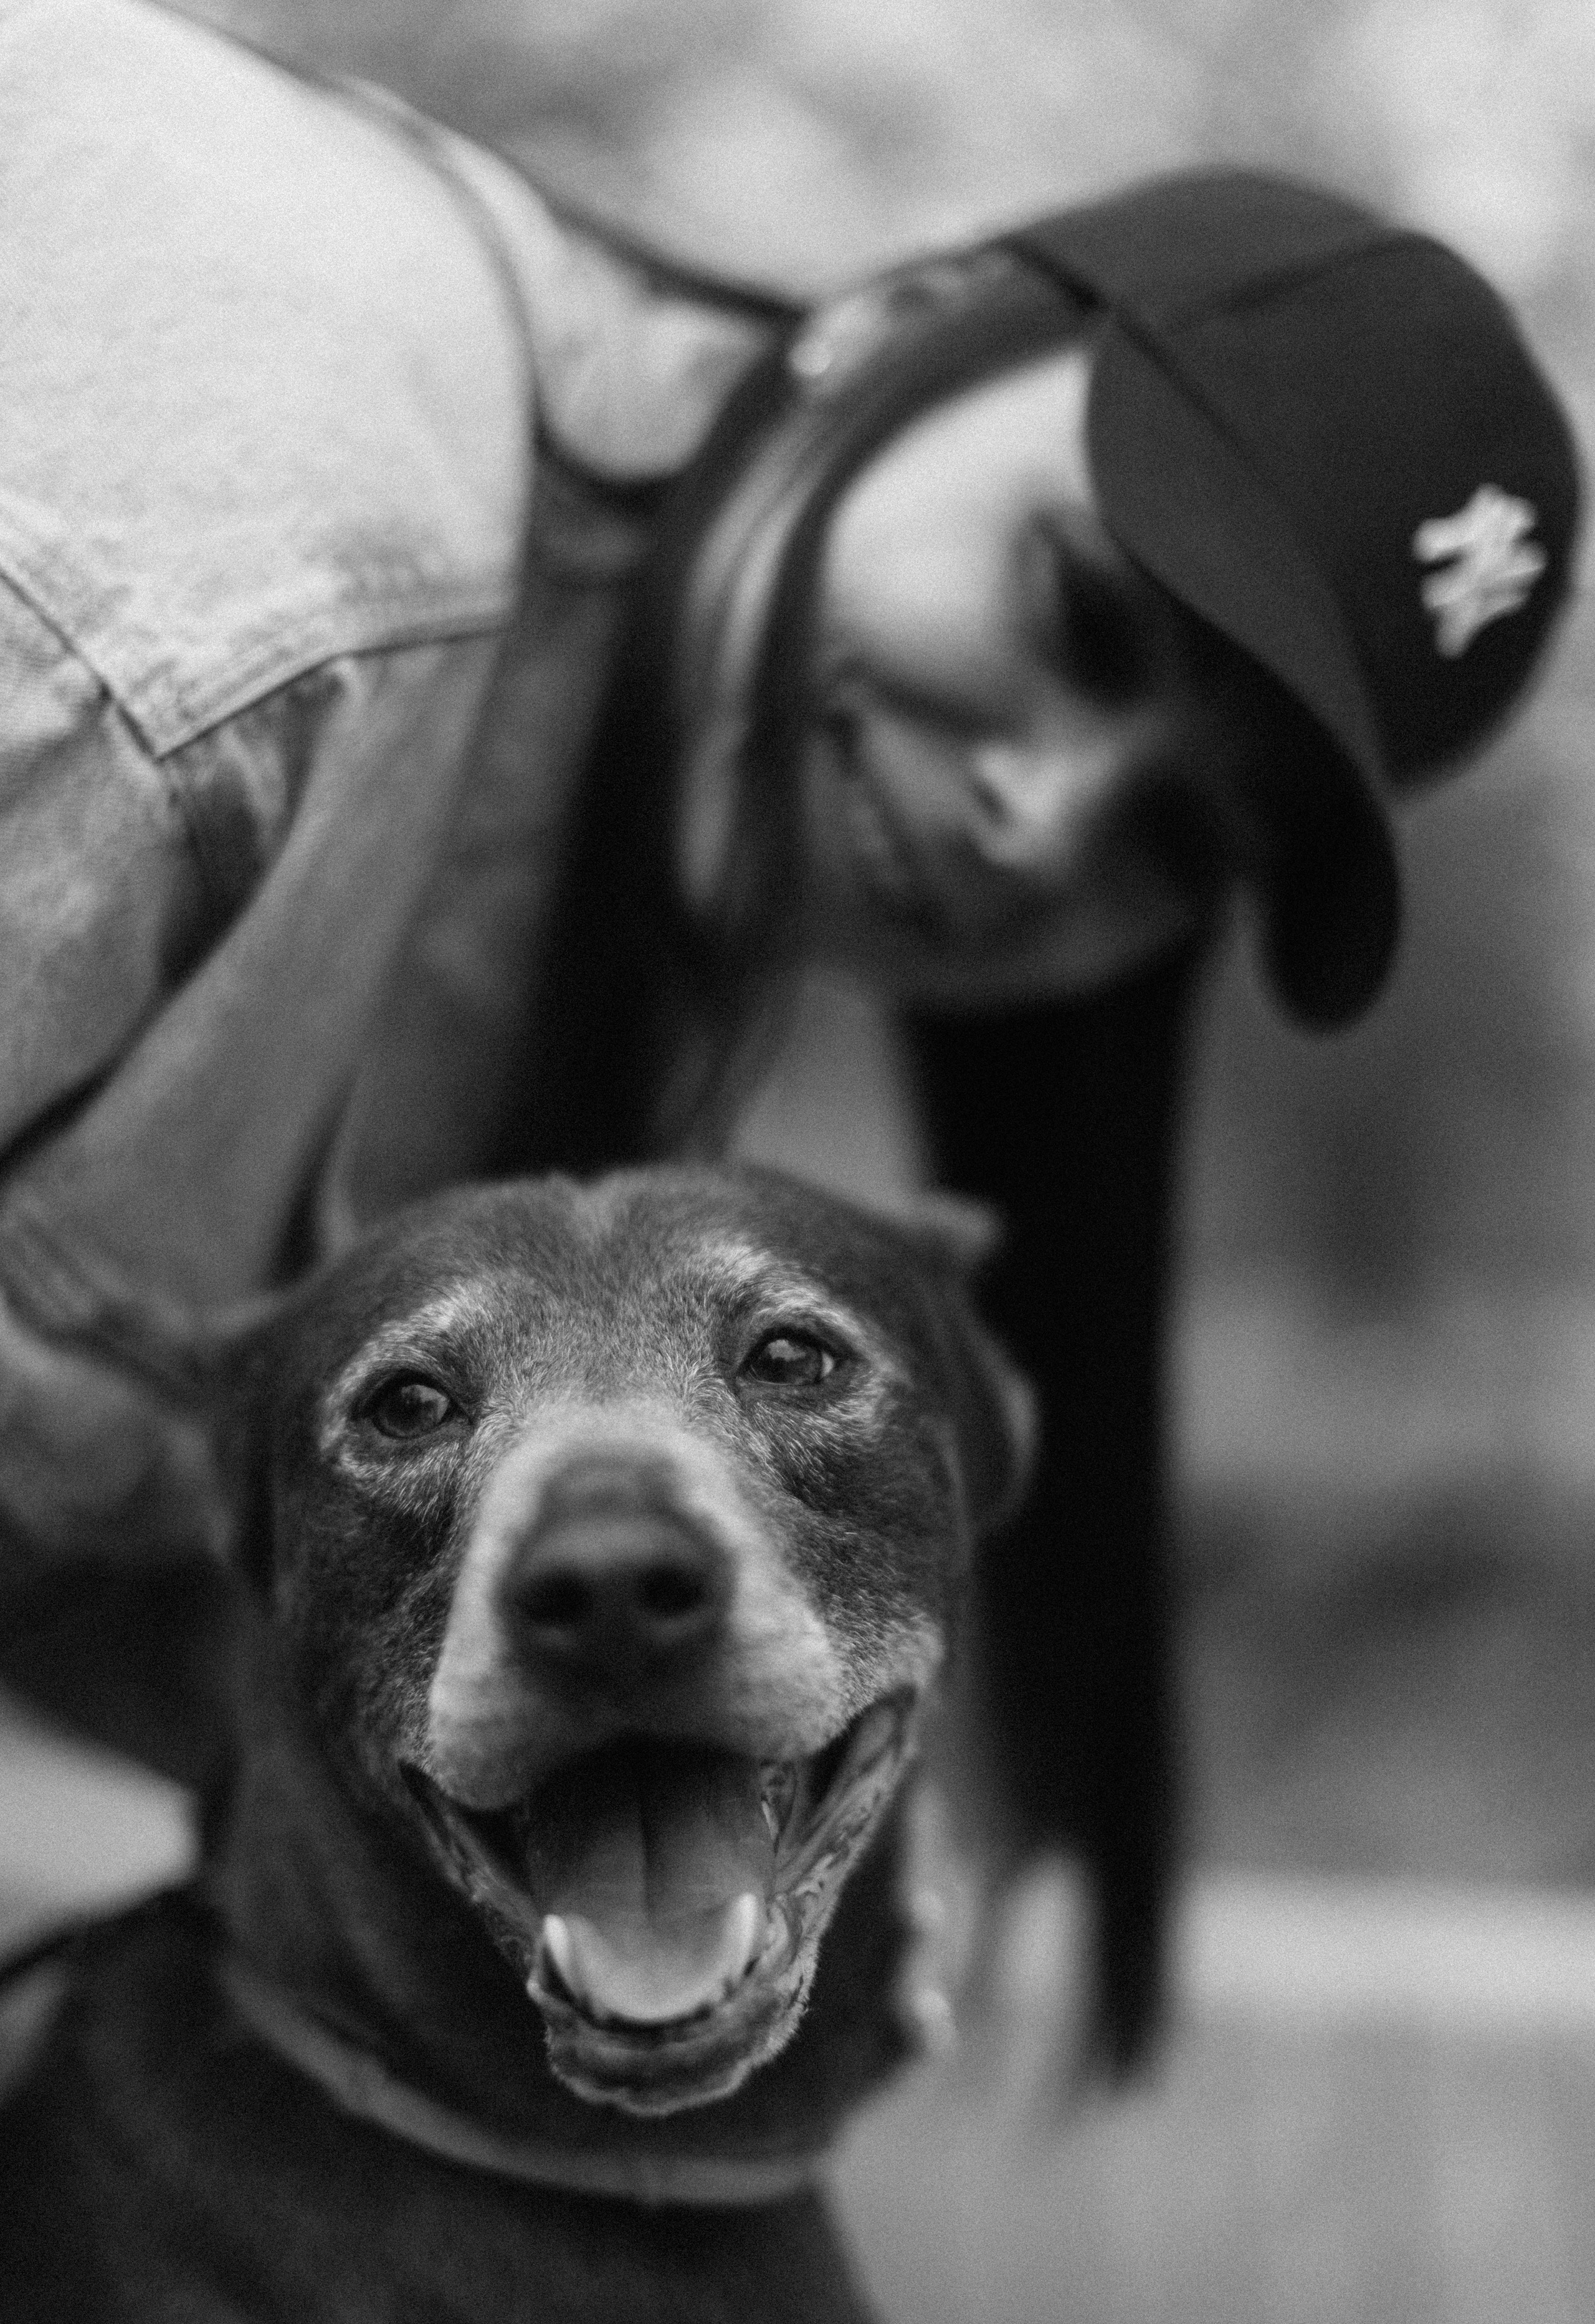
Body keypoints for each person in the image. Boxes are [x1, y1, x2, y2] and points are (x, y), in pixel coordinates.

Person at [0, 0, 1579, 2071]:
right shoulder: (255, 559)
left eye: (1177, 840)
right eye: (1079, 616)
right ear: (904, 318)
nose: (1038, 814)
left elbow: (251, 1595)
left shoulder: (629, 941)